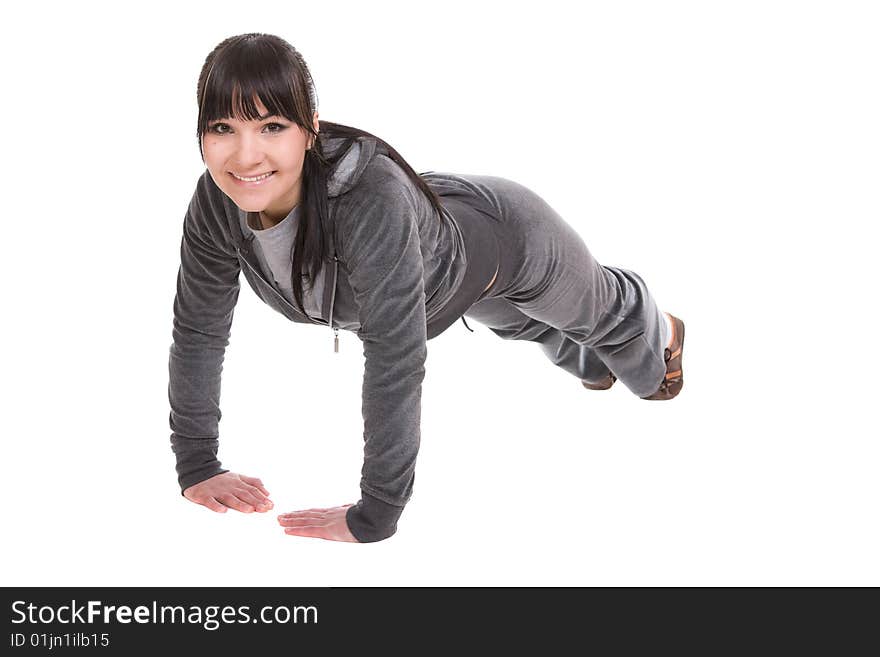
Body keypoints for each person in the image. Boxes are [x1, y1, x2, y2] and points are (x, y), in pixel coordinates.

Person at [168, 33, 686, 544]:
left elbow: (395, 355)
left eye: (272, 125)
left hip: (511, 241)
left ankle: (660, 326)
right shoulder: (216, 204)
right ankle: (592, 358)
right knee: (549, 338)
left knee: (623, 344)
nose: (246, 155)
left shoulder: (367, 200)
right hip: (435, 259)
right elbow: (199, 332)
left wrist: (377, 511)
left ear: (309, 130)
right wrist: (197, 464)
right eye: (222, 127)